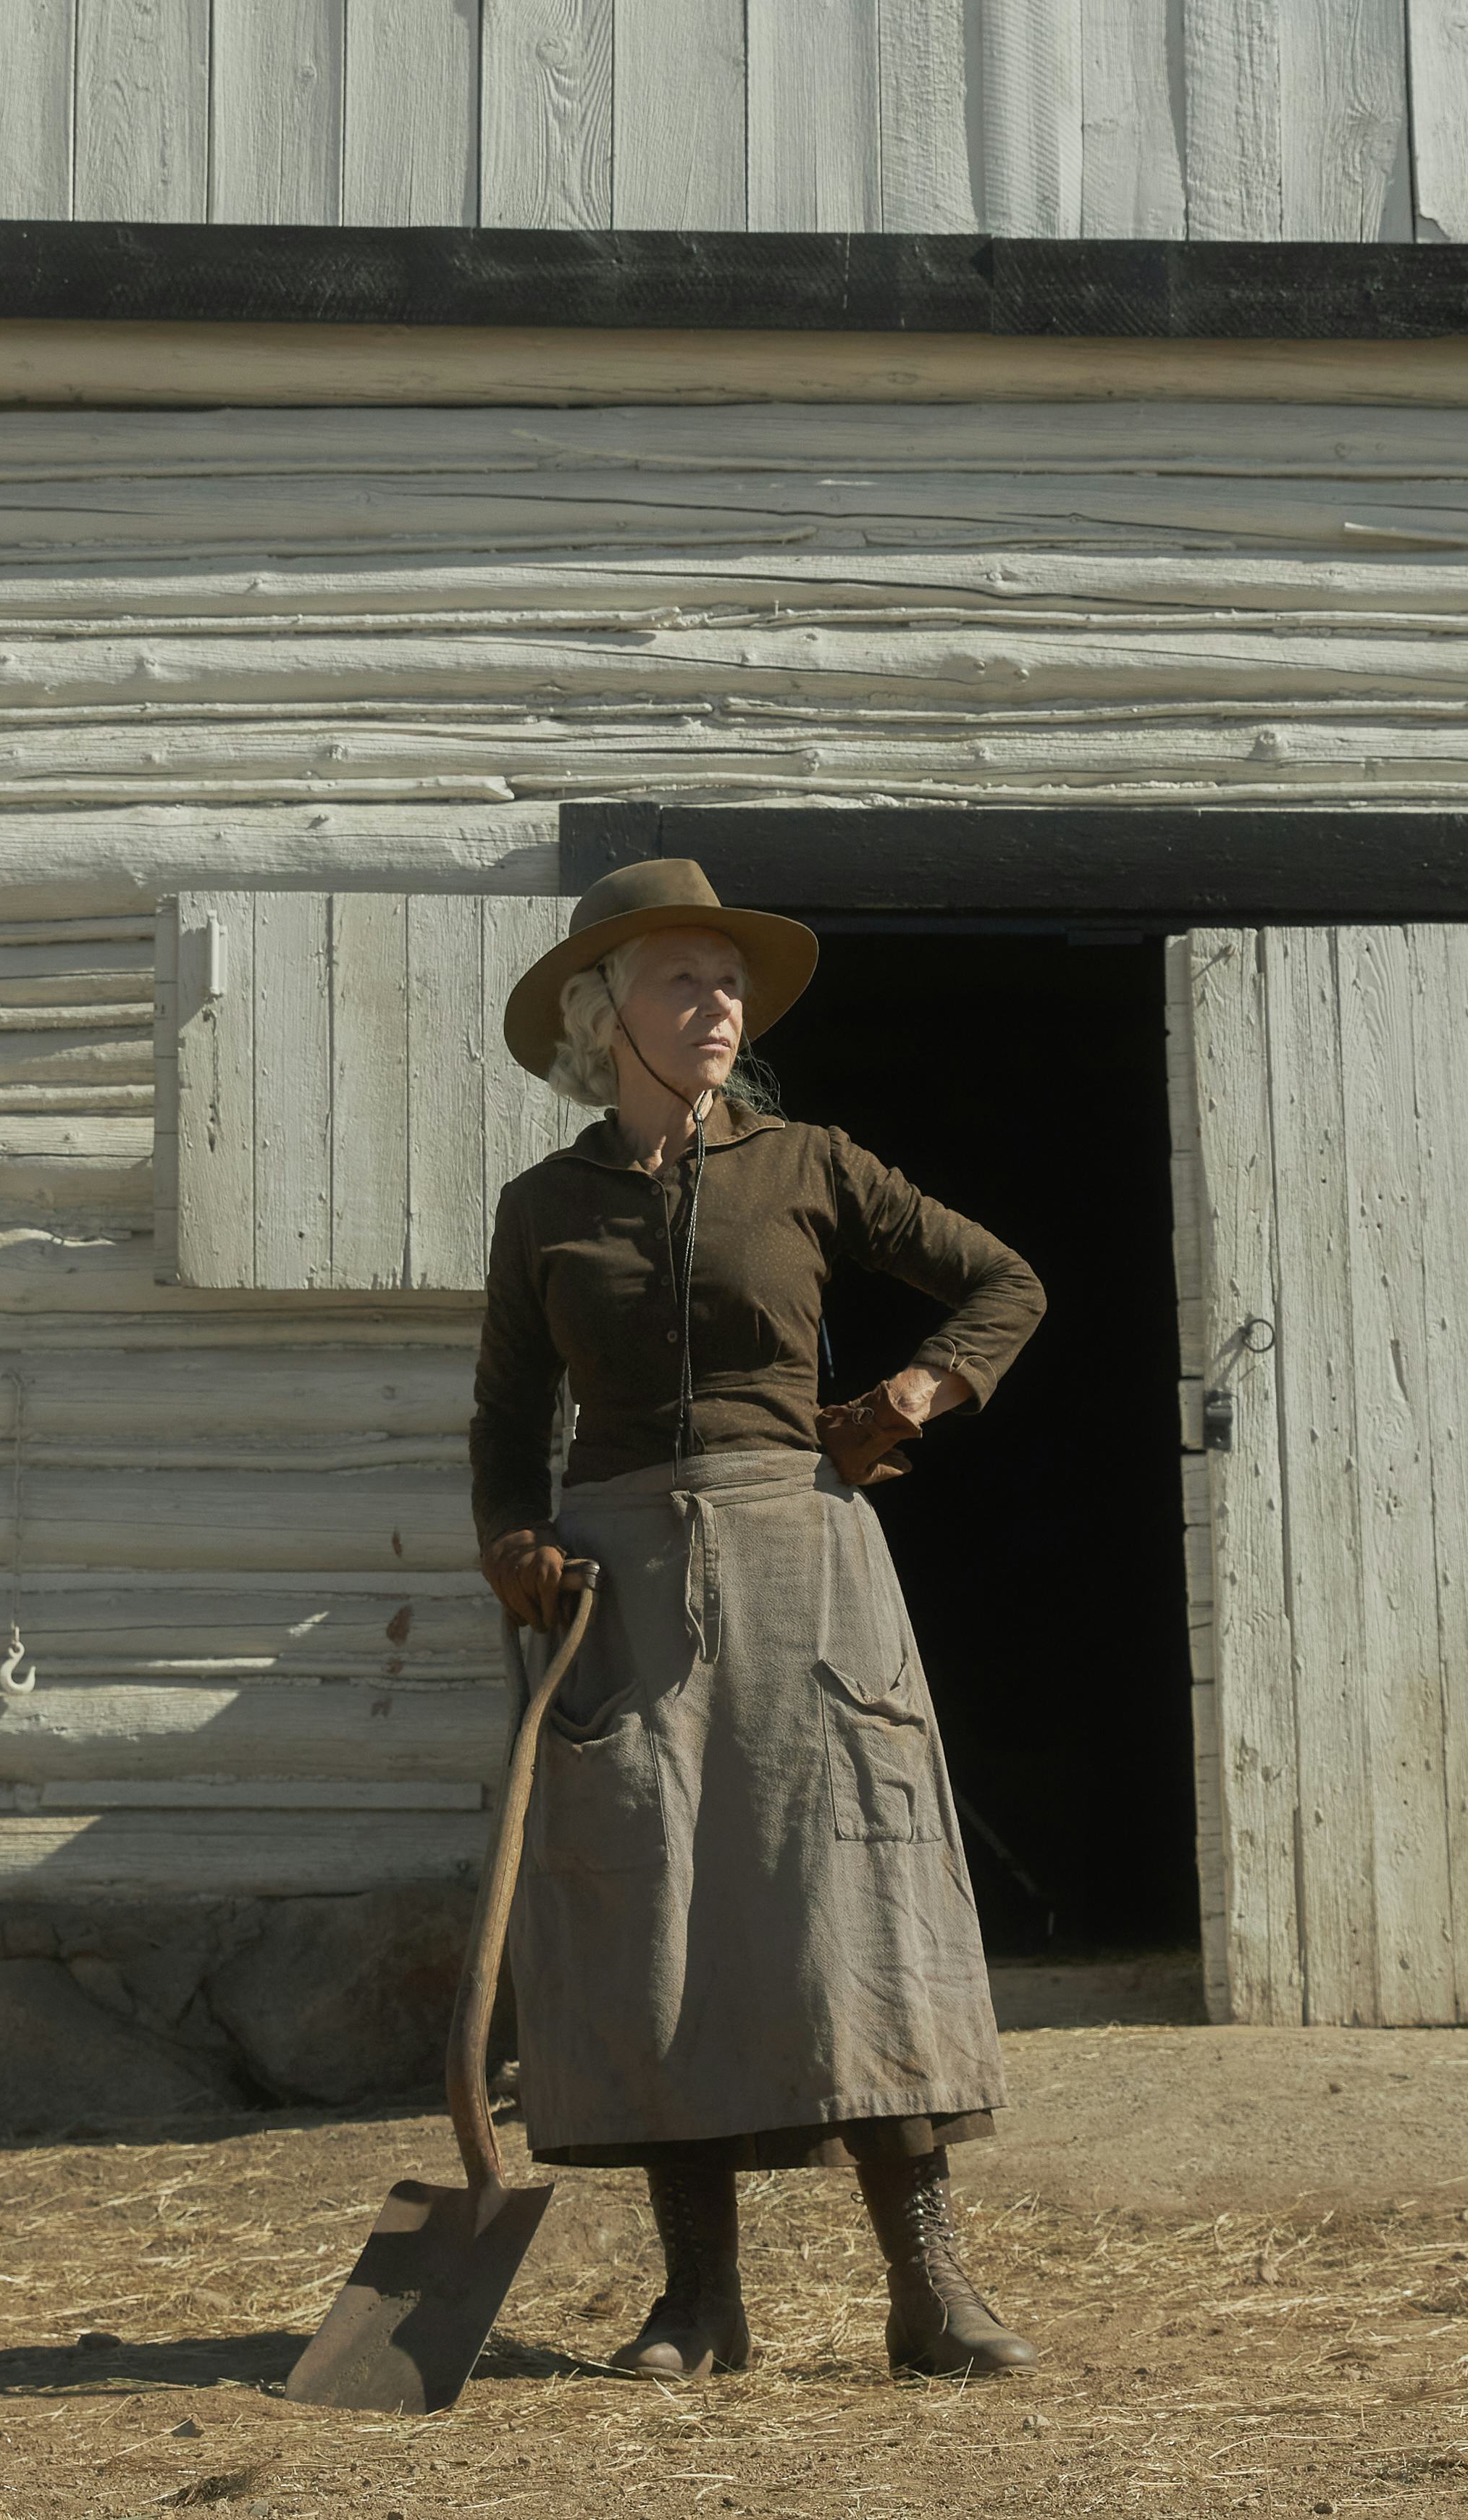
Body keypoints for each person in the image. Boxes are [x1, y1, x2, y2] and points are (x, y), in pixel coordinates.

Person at [468, 857, 1049, 2382]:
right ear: (607, 1019)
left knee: (860, 1896)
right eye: (682, 979)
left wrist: (921, 1387)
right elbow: (505, 1419)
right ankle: (697, 2302)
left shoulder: (810, 1164)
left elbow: (1003, 1283)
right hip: (621, 1588)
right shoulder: (543, 1209)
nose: (717, 1004)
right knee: (662, 1913)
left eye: (729, 981)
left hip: (805, 1561)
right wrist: (516, 1543)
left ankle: (929, 2289)